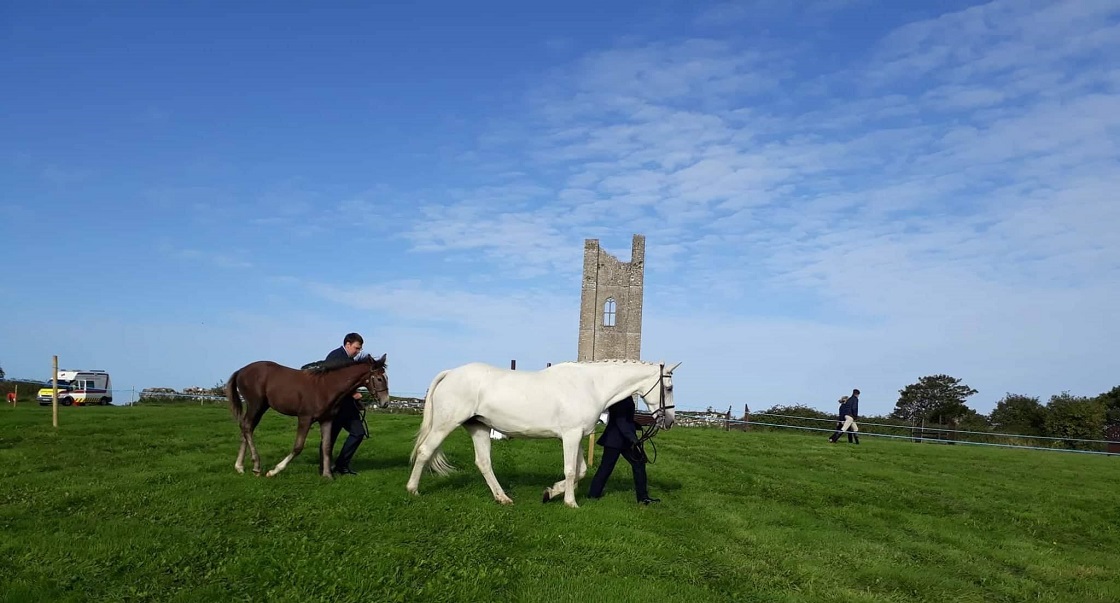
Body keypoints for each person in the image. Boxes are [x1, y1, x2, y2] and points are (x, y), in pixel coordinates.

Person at [587, 395, 659, 504]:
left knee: (638, 464)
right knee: (606, 468)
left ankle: (643, 498)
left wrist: (636, 425)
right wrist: (633, 439)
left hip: (621, 439)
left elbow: (626, 419)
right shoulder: (620, 398)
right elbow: (621, 421)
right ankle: (593, 495)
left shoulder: (626, 397)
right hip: (616, 440)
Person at [324, 332, 368, 476]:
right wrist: (352, 394)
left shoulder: (350, 361)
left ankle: (341, 465)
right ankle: (324, 467)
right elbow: (330, 382)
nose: (358, 351)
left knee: (358, 433)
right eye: (357, 348)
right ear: (348, 344)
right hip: (335, 408)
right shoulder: (334, 357)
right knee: (329, 438)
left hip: (348, 407)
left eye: (360, 349)